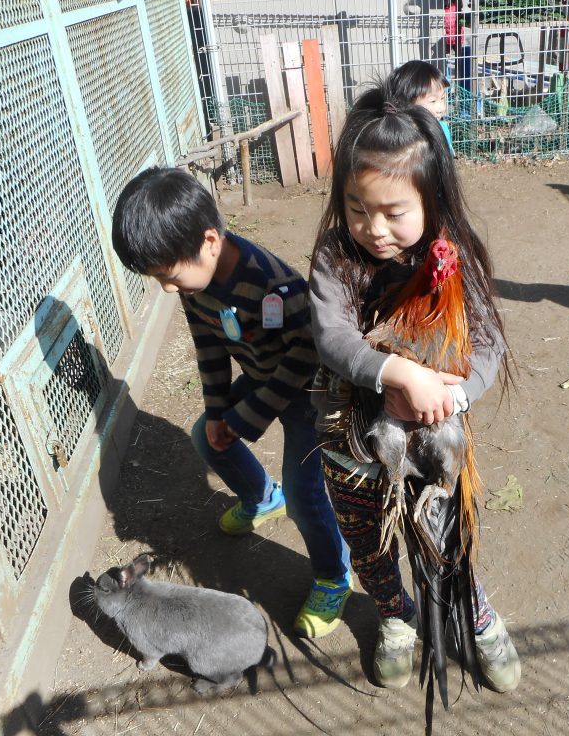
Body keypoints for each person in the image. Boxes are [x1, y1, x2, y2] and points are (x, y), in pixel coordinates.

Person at [307, 85, 521, 692]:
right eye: (356, 207)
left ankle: (472, 611)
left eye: (394, 212)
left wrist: (446, 396)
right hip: (350, 445)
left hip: (435, 439)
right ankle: (396, 615)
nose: (373, 229)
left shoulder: (457, 255)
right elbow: (330, 334)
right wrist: (398, 372)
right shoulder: (335, 257)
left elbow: (486, 346)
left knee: (444, 532)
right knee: (368, 542)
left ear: (432, 198)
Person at [111, 167, 352, 637]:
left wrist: (247, 416)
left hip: (307, 392)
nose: (167, 288)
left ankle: (333, 576)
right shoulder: (194, 285)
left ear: (209, 241)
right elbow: (210, 349)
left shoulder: (272, 284)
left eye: (168, 275)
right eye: (157, 278)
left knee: (307, 497)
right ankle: (262, 499)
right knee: (206, 434)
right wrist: (222, 412)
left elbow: (305, 359)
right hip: (264, 380)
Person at [386, 59, 454, 154]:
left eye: (442, 98)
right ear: (407, 102)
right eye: (433, 101)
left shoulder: (442, 130)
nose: (441, 108)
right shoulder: (396, 136)